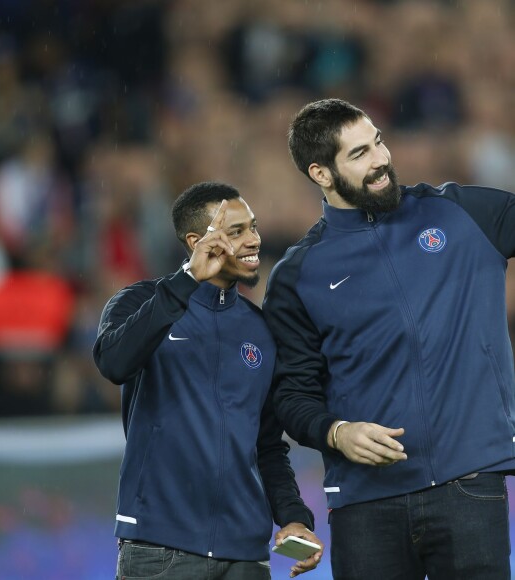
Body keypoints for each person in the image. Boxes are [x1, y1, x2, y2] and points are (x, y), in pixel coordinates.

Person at [262, 98, 515, 580]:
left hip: (470, 486)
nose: (380, 158)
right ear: (321, 173)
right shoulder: (298, 275)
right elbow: (291, 397)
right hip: (365, 506)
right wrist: (338, 433)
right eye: (358, 154)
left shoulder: (460, 215)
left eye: (377, 141)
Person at [93, 181, 323, 580]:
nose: (254, 240)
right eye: (237, 232)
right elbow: (113, 363)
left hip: (246, 558)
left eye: (253, 227)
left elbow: (267, 446)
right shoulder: (140, 303)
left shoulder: (262, 331)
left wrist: (294, 517)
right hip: (159, 550)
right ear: (197, 241)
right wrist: (185, 281)